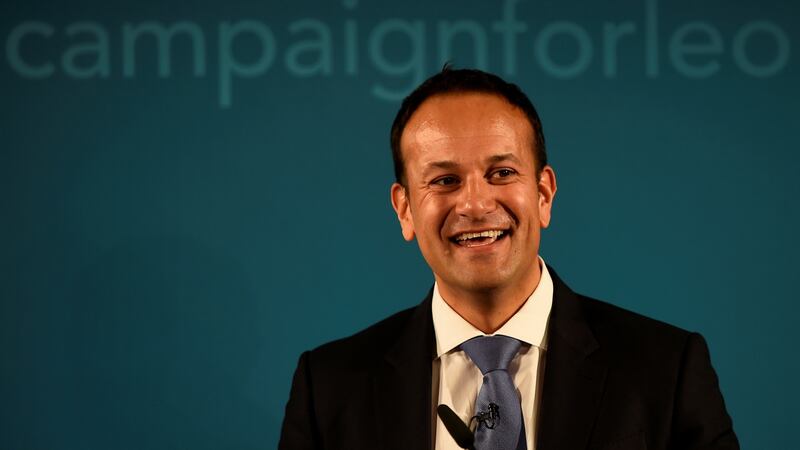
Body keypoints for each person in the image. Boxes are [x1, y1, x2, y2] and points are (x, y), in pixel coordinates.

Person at [278, 68, 739, 450]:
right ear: (404, 209)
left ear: (543, 194)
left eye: (501, 173)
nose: (475, 204)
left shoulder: (665, 369)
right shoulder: (330, 389)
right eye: (444, 181)